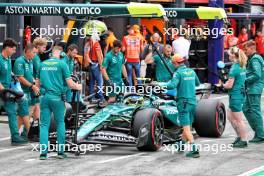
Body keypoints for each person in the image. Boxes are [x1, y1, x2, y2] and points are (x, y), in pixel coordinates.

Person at [36, 46, 82, 160]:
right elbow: (71, 84)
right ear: (60, 53)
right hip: (57, 98)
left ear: (52, 53)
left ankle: (43, 153)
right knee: (60, 123)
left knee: (44, 125)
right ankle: (60, 152)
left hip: (45, 98)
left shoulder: (42, 64)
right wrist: (79, 86)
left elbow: (37, 84)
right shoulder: (62, 64)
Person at [155, 54, 200, 158]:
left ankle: (194, 149)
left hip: (183, 102)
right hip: (193, 102)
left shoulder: (178, 73)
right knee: (187, 125)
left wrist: (159, 84)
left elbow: (172, 85)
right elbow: (197, 84)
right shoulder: (191, 71)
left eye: (173, 63)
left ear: (175, 63)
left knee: (186, 128)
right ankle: (181, 145)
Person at [0, 38, 27, 145]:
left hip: (7, 91)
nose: (14, 51)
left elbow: (7, 71)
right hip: (2, 91)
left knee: (12, 113)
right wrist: (3, 90)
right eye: (13, 49)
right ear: (7, 48)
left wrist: (12, 75)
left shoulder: (8, 58)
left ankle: (15, 137)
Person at [13, 44, 40, 140]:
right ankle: (29, 134)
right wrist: (32, 86)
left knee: (23, 113)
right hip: (22, 91)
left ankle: (19, 134)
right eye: (34, 52)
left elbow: (30, 75)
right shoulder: (19, 61)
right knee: (25, 113)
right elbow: (20, 77)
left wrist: (35, 84)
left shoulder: (30, 61)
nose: (35, 55)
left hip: (29, 90)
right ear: (27, 51)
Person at [223, 46, 248, 148]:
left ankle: (244, 140)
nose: (228, 56)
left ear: (233, 55)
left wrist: (223, 84)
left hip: (236, 95)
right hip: (239, 93)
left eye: (229, 54)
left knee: (238, 119)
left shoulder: (234, 68)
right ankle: (239, 137)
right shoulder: (242, 65)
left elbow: (229, 85)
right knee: (230, 116)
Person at [243, 40, 264, 143]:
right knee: (246, 109)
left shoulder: (255, 59)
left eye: (246, 49)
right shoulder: (253, 58)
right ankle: (259, 132)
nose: (245, 51)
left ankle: (260, 135)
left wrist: (244, 80)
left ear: (251, 48)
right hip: (252, 88)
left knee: (255, 110)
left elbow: (257, 75)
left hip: (254, 88)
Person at [84, 36, 106, 105]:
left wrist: (90, 63)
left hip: (91, 64)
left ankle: (92, 97)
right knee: (100, 81)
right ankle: (101, 97)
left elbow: (86, 54)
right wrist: (101, 65)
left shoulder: (87, 44)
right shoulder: (96, 44)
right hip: (96, 64)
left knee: (92, 82)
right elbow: (99, 55)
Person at [31, 37, 47, 121]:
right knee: (33, 108)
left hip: (35, 85)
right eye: (44, 47)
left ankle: (37, 126)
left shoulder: (36, 57)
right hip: (34, 85)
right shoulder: (36, 57)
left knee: (36, 107)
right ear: (38, 46)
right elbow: (39, 71)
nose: (45, 49)